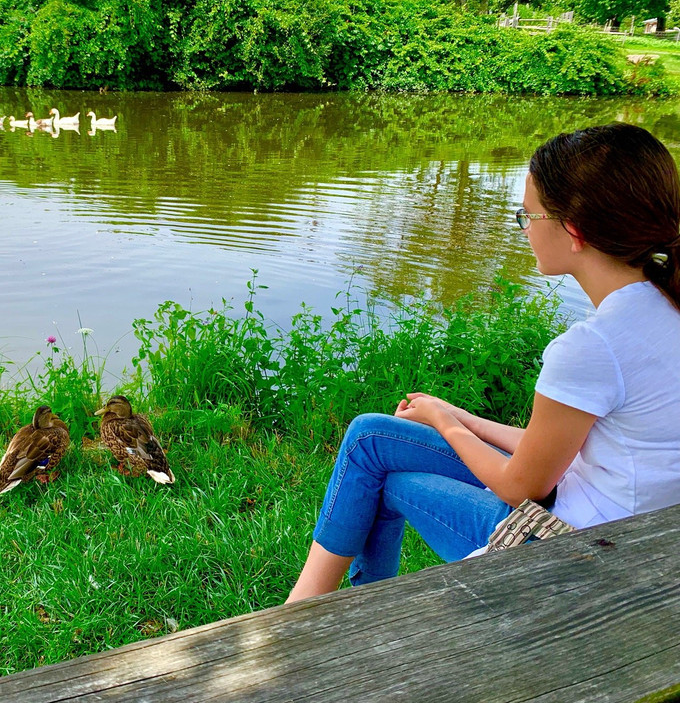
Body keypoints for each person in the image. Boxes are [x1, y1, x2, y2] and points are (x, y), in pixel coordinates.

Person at [286, 122, 680, 602]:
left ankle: (310, 617)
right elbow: (564, 452)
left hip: (575, 555)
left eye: (527, 217)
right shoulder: (661, 309)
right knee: (371, 437)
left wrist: (445, 425)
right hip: (629, 528)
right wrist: (460, 417)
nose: (523, 229)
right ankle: (312, 607)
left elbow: (523, 486)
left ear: (573, 231)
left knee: (387, 474)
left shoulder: (594, 347)